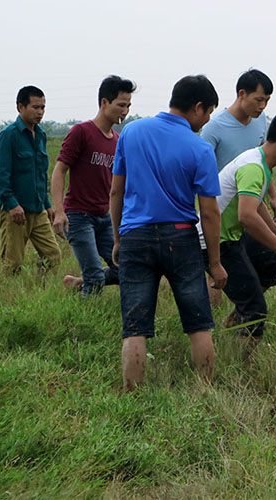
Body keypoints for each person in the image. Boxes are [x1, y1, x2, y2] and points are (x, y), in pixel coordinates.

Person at [110, 75, 227, 391]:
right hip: (181, 239)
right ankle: (204, 389)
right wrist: (214, 263)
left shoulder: (131, 132)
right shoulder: (199, 148)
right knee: (199, 323)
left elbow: (116, 193)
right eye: (208, 114)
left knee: (134, 327)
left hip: (135, 237)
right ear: (198, 107)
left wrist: (120, 238)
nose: (205, 122)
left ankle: (132, 394)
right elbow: (209, 212)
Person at [216, 110, 276, 347]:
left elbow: (256, 205)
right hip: (215, 241)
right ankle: (242, 369)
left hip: (230, 235)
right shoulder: (253, 167)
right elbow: (247, 216)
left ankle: (240, 311)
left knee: (274, 256)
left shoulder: (260, 161)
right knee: (257, 311)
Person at [51, 75, 136, 296]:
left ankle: (79, 281)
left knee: (126, 269)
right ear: (104, 103)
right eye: (120, 105)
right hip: (78, 216)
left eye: (128, 105)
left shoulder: (117, 140)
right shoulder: (81, 132)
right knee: (96, 279)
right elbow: (60, 170)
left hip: (105, 217)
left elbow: (118, 186)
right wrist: (59, 211)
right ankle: (82, 325)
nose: (125, 111)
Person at [0, 85, 61, 274]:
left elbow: (40, 174)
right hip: (16, 211)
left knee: (53, 256)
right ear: (20, 107)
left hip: (38, 210)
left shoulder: (40, 135)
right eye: (35, 107)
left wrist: (47, 204)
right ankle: (10, 298)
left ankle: (39, 289)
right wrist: (12, 205)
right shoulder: (8, 135)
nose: (40, 112)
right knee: (13, 264)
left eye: (43, 107)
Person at [199, 69, 276, 223]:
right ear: (242, 94)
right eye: (258, 100)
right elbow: (202, 172)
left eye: (266, 100)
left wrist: (273, 196)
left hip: (252, 202)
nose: (262, 106)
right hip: (225, 209)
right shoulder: (214, 126)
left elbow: (264, 160)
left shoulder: (260, 120)